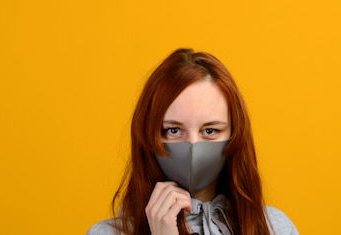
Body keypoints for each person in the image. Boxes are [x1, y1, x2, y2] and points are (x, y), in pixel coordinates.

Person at [87, 48, 299, 235]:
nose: (192, 145)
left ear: (235, 135)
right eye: (173, 130)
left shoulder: (275, 228)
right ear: (148, 134)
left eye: (209, 130)